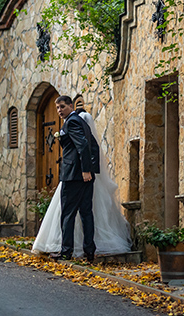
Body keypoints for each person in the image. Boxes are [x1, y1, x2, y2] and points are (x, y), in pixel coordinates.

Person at [32, 101, 131, 260]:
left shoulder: (72, 122)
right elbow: (94, 147)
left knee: (68, 214)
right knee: (86, 213)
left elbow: (84, 146)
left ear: (71, 106)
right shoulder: (81, 122)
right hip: (83, 176)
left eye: (62, 107)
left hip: (74, 176)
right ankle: (89, 251)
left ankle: (66, 252)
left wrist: (86, 170)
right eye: (57, 107)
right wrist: (90, 170)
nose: (59, 110)